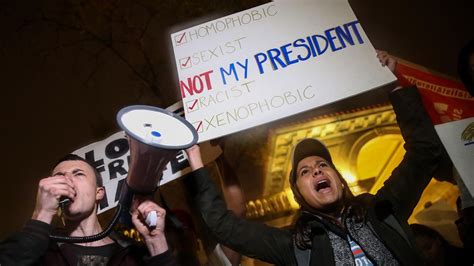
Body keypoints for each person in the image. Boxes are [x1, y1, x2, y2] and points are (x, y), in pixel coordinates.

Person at [183, 52, 444, 265]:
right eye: (304, 172)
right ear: (299, 194)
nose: (316, 171)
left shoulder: (384, 209)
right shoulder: (295, 246)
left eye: (322, 165)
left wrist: (396, 85)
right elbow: (223, 224)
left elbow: (424, 150)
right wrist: (196, 159)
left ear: (340, 180)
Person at [0, 154, 176, 265]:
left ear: (99, 192)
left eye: (78, 174)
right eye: (59, 176)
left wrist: (155, 242)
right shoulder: (41, 250)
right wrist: (41, 214)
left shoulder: (129, 254)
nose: (67, 180)